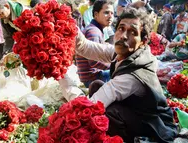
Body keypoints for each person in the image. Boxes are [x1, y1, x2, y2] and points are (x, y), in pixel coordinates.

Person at [74, 6, 177, 142]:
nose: (123, 36)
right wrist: (69, 27)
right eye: (121, 29)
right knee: (96, 85)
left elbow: (101, 98)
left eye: (133, 32)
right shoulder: (123, 52)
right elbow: (86, 47)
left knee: (109, 113)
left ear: (143, 41)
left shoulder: (135, 73)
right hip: (135, 109)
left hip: (155, 124)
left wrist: (71, 118)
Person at [76, 0, 113, 88]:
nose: (110, 16)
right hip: (92, 79)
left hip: (92, 77)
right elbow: (94, 62)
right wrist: (114, 66)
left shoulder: (94, 29)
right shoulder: (94, 32)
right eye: (106, 12)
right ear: (96, 15)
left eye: (112, 13)